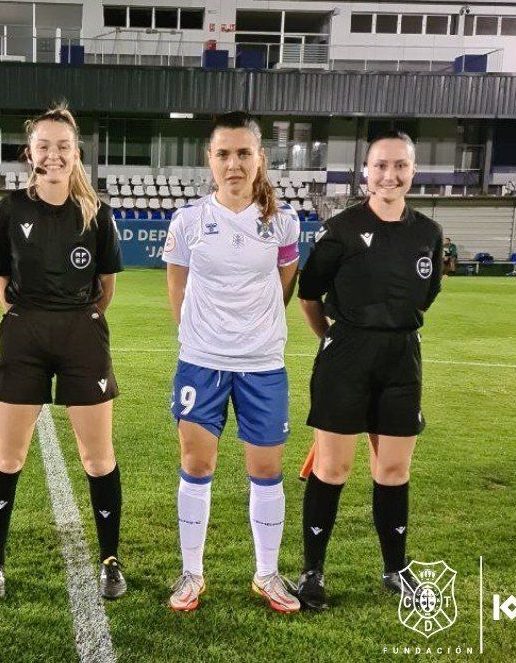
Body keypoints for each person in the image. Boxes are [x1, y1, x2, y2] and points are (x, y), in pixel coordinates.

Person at [0, 104, 125, 601]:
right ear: (31, 153)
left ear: (76, 153)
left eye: (63, 146)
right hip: (25, 337)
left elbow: (104, 289)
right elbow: (2, 285)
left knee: (97, 457)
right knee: (8, 454)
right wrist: (28, 321)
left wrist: (74, 319)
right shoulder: (8, 210)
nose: (54, 154)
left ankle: (110, 560)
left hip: (82, 336)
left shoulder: (96, 214)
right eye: (44, 145)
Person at [293, 130, 443, 611]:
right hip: (346, 358)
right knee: (333, 468)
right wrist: (337, 341)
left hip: (402, 358)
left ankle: (395, 569)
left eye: (400, 166)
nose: (390, 175)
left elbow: (428, 294)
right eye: (380, 165)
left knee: (394, 470)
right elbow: (309, 296)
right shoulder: (338, 230)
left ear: (413, 172)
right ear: (365, 172)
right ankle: (312, 571)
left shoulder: (428, 233)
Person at [163, 112, 301, 614]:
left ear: (260, 158)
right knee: (196, 466)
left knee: (266, 470)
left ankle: (266, 573)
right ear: (210, 160)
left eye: (244, 153)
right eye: (224, 154)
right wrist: (198, 336)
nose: (234, 163)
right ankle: (191, 573)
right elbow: (176, 285)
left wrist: (256, 330)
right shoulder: (188, 221)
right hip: (202, 363)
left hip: (263, 364)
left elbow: (287, 279)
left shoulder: (283, 222)